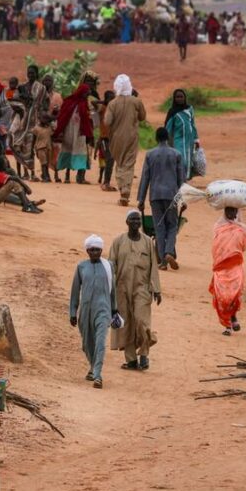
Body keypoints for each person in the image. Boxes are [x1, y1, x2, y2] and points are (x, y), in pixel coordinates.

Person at [110, 210, 163, 371]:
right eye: (132, 219)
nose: (135, 222)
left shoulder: (148, 242)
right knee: (126, 324)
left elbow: (154, 266)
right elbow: (111, 266)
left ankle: (145, 352)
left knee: (141, 322)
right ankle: (131, 360)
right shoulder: (118, 241)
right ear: (127, 222)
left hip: (142, 287)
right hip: (122, 287)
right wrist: (109, 288)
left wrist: (157, 289)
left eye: (138, 220)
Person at [70, 235, 120, 389]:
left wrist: (114, 309)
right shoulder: (81, 267)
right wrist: (73, 311)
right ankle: (92, 368)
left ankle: (98, 375)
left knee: (100, 342)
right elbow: (75, 291)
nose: (95, 252)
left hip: (103, 310)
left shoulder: (108, 266)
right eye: (92, 250)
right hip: (85, 311)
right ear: (87, 250)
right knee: (87, 343)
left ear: (101, 250)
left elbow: (113, 290)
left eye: (98, 250)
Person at [137, 127, 185, 269]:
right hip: (172, 195)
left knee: (159, 228)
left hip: (155, 195)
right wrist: (183, 200)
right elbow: (181, 179)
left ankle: (162, 262)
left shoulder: (150, 154)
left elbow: (145, 177)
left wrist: (141, 199)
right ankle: (169, 252)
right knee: (172, 225)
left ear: (157, 138)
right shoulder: (176, 154)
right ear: (167, 138)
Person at [104, 75, 146, 205]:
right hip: (131, 137)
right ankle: (125, 190)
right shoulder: (136, 101)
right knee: (128, 163)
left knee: (120, 163)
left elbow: (107, 121)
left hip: (116, 138)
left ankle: (123, 189)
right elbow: (142, 117)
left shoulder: (112, 103)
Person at [210, 207, 246, 335]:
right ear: (225, 212)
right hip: (221, 268)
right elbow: (215, 247)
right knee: (222, 297)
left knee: (234, 295)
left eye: (233, 211)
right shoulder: (218, 228)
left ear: (237, 213)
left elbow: (243, 247)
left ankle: (233, 318)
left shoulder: (241, 229)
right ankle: (227, 326)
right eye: (229, 211)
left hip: (235, 267)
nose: (231, 214)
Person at [54, 83, 94, 184]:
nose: (86, 95)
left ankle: (80, 177)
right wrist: (59, 131)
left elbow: (88, 120)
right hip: (69, 132)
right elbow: (62, 117)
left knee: (82, 152)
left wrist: (89, 133)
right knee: (68, 150)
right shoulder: (69, 101)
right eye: (85, 93)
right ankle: (67, 176)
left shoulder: (85, 104)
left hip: (80, 133)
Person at [164, 88, 199, 180]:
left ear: (185, 98)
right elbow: (168, 127)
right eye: (177, 97)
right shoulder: (172, 112)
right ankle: (180, 180)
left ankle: (185, 180)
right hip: (178, 140)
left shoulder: (189, 109)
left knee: (189, 161)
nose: (179, 99)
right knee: (181, 160)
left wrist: (196, 139)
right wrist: (164, 140)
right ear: (174, 98)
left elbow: (193, 124)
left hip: (190, 140)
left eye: (181, 97)